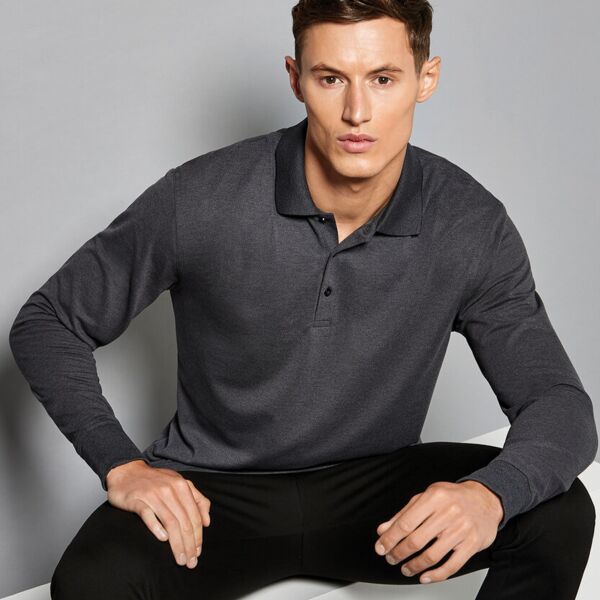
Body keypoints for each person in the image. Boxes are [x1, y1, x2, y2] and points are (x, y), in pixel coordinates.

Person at [9, 1, 597, 599]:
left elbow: (558, 402)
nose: (356, 112)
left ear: (427, 78)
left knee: (558, 511)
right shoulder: (201, 199)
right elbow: (49, 321)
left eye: (383, 79)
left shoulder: (470, 224)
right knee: (90, 585)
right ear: (296, 79)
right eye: (331, 78)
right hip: (212, 496)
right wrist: (121, 463)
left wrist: (490, 495)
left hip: (377, 499)